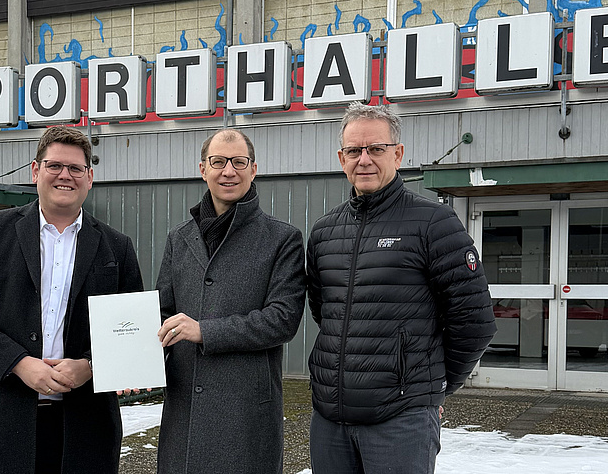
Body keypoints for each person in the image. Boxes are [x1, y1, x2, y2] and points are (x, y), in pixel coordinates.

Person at [306, 102, 497, 473]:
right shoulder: (324, 231)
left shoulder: (434, 223)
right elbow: (326, 311)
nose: (364, 160)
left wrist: (431, 388)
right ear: (341, 158)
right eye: (354, 151)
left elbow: (475, 322)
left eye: (376, 149)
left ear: (398, 153)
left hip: (401, 420)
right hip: (330, 420)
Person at [0, 126, 144, 474]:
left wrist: (89, 366)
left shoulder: (117, 247)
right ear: (36, 170)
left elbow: (130, 329)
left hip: (85, 427)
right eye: (55, 166)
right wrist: (20, 363)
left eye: (75, 169)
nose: (65, 176)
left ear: (89, 177)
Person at [154, 128, 306, 473]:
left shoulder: (282, 239)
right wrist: (135, 359)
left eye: (239, 162)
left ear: (253, 169)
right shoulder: (179, 238)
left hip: (245, 412)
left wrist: (205, 331)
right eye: (218, 161)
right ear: (202, 168)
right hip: (185, 411)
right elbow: (162, 312)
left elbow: (282, 319)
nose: (228, 171)